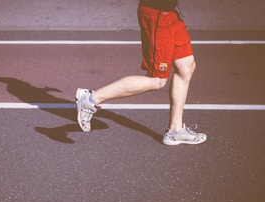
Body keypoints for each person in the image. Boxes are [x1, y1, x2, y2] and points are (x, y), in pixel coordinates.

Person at [75, 0, 207, 145]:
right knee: (157, 80)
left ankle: (175, 131)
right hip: (157, 13)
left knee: (186, 66)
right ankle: (91, 99)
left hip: (170, 13)